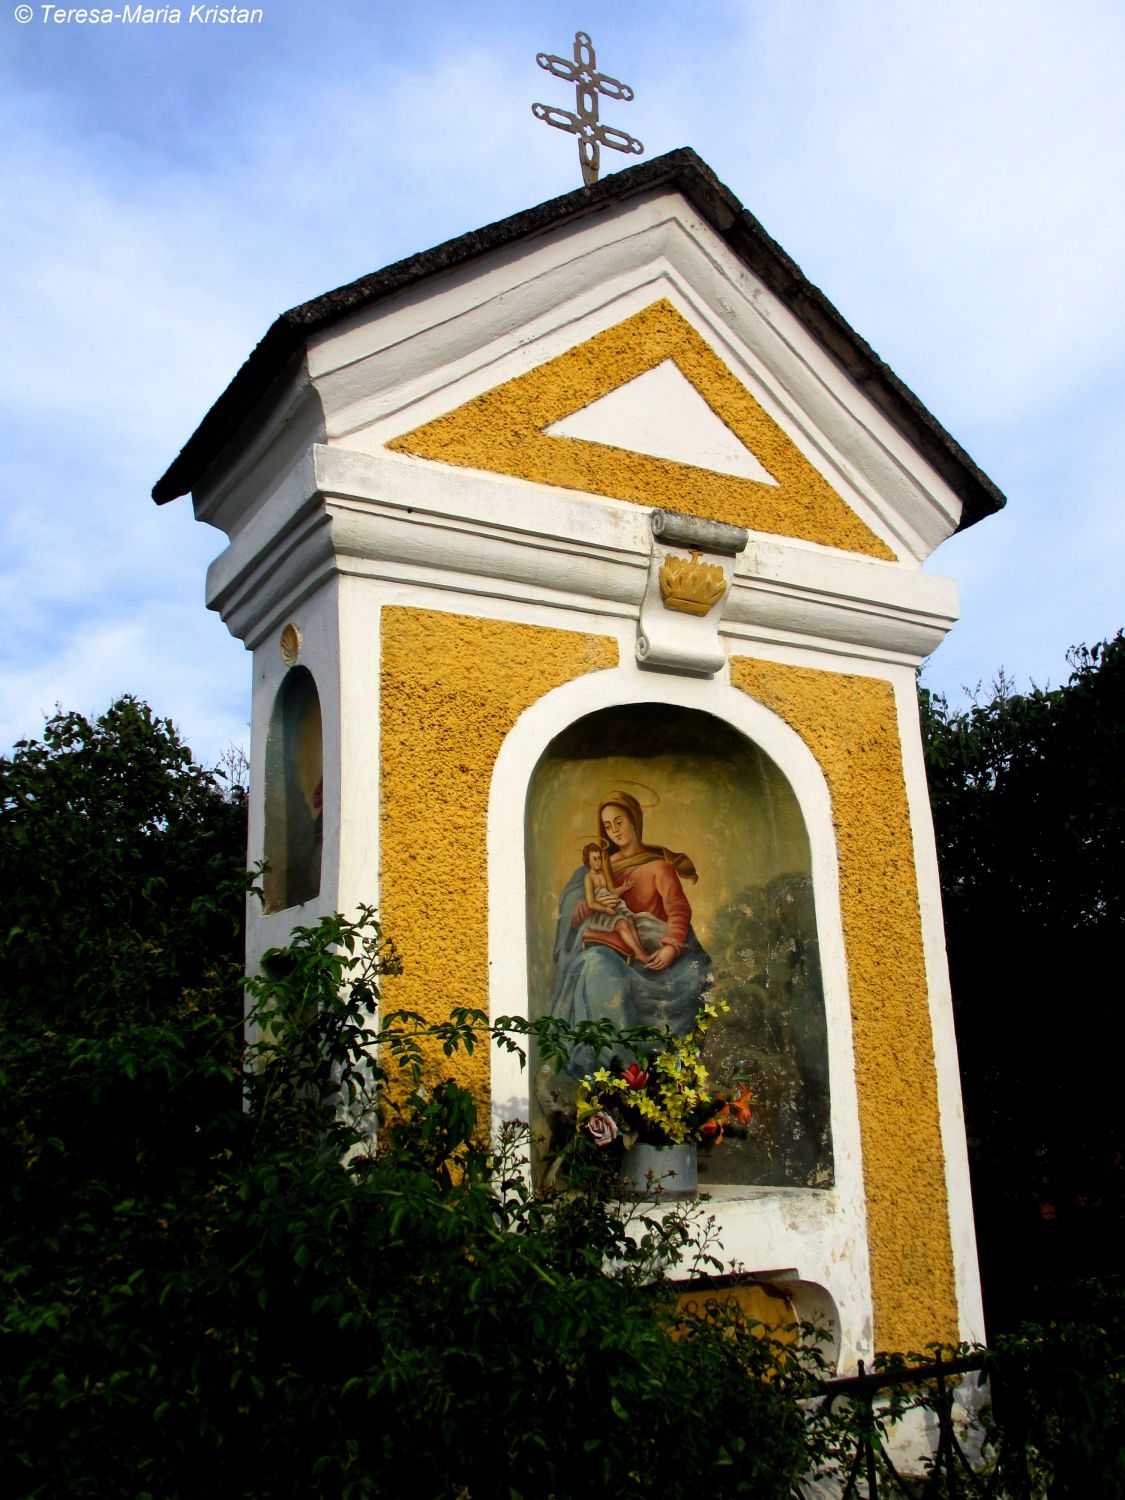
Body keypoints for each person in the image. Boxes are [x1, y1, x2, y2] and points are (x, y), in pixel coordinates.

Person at [548, 790, 712, 1074]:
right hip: (609, 951)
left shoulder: (659, 867)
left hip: (652, 957)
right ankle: (616, 1069)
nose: (614, 831)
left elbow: (678, 911)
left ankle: (656, 1074)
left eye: (619, 822)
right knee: (595, 965)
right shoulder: (596, 869)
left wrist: (671, 946)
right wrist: (590, 907)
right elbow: (573, 917)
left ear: (635, 820)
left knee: (695, 973)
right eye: (608, 826)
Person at [579, 840, 663, 963]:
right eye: (594, 859)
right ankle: (640, 954)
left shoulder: (603, 873)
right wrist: (605, 909)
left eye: (599, 858)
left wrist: (624, 888)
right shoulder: (588, 878)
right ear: (588, 861)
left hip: (614, 906)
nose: (598, 861)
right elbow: (591, 903)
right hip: (600, 913)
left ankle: (640, 951)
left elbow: (612, 892)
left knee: (630, 919)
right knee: (622, 923)